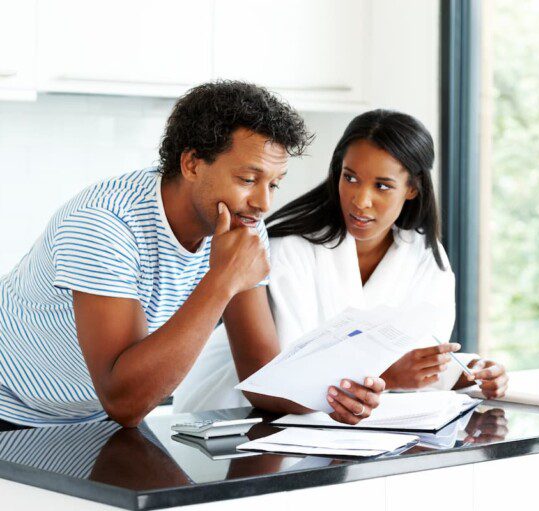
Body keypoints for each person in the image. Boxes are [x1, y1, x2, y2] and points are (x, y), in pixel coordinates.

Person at [0, 81, 384, 428]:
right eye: (247, 179)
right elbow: (124, 400)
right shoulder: (103, 225)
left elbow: (260, 376)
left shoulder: (242, 225)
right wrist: (221, 281)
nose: (263, 202)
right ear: (192, 163)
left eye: (274, 184)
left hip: (93, 416)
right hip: (11, 406)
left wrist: (331, 397)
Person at [175, 109, 508, 414]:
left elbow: (419, 356)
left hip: (344, 425)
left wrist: (467, 371)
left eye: (382, 186)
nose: (361, 200)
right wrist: (388, 376)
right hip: (238, 412)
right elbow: (285, 378)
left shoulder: (423, 255)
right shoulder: (288, 249)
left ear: (412, 189)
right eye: (350, 178)